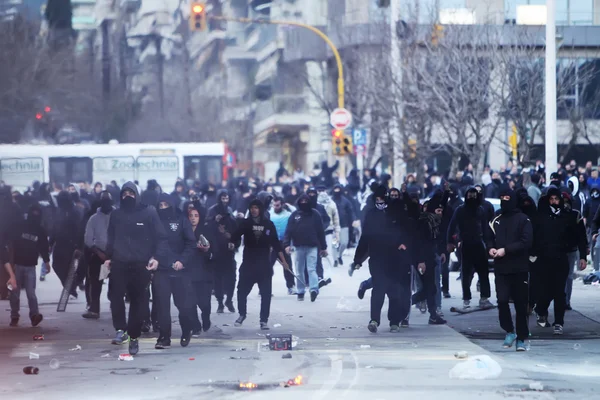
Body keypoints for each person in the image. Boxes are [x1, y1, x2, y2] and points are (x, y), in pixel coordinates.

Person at [105, 182, 168, 355]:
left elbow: (161, 238)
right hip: (119, 263)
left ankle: (133, 336)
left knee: (138, 301)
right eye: (124, 193)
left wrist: (156, 258)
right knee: (115, 297)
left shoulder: (149, 213)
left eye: (131, 193)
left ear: (137, 195)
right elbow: (110, 237)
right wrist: (108, 257)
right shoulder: (116, 214)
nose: (127, 196)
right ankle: (120, 329)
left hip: (141, 265)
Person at [351, 185, 412, 333]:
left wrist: (404, 244)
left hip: (395, 258)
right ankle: (374, 320)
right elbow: (364, 237)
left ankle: (394, 321)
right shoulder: (371, 214)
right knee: (378, 289)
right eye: (377, 200)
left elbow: (406, 231)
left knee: (394, 290)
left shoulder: (396, 212)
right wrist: (358, 259)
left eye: (382, 199)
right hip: (377, 258)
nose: (379, 202)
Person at [533, 188, 586, 335]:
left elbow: (580, 236)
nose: (554, 202)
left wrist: (583, 256)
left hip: (561, 258)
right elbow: (534, 237)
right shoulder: (542, 217)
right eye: (552, 199)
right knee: (544, 291)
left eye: (557, 199)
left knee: (559, 292)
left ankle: (559, 322)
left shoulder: (568, 216)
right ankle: (541, 309)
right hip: (544, 259)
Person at [229, 199, 288, 329]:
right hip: (248, 265)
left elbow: (276, 245)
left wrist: (284, 262)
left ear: (261, 209)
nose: (254, 210)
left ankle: (263, 320)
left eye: (256, 207)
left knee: (266, 294)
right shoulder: (246, 223)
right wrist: (232, 243)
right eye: (252, 207)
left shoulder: (268, 224)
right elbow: (235, 236)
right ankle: (242, 314)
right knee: (241, 292)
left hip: (264, 266)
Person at [485, 189, 533, 352]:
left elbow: (526, 242)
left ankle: (521, 338)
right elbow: (489, 237)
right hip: (501, 268)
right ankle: (509, 331)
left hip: (519, 267)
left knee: (521, 305)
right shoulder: (496, 219)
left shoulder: (523, 219)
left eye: (507, 198)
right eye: (502, 198)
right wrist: (491, 248)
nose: (505, 201)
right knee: (502, 301)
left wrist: (506, 250)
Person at [153, 193, 197, 349]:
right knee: (162, 305)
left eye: (166, 205)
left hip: (180, 269)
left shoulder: (181, 220)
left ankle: (186, 331)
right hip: (161, 269)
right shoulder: (155, 221)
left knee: (183, 305)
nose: (163, 208)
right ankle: (164, 337)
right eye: (161, 206)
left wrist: (182, 261)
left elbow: (191, 244)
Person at [447, 187, 493, 310]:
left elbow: (485, 228)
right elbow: (451, 226)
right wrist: (450, 242)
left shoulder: (481, 210)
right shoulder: (460, 210)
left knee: (483, 272)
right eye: (470, 195)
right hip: (466, 244)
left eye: (474, 195)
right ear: (466, 196)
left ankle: (484, 298)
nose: (472, 198)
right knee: (466, 273)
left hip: (478, 243)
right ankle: (466, 299)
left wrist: (489, 244)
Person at [9, 204, 50, 327]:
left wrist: (47, 262)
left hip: (31, 266)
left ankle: (34, 316)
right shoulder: (20, 226)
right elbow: (12, 243)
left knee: (31, 293)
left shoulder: (40, 230)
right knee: (14, 293)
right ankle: (14, 316)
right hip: (17, 265)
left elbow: (44, 248)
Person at [283, 194, 328, 302]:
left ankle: (314, 290)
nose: (304, 202)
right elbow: (288, 231)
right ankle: (300, 291)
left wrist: (323, 247)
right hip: (298, 247)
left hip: (312, 247)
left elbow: (320, 232)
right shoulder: (294, 215)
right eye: (301, 200)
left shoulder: (315, 214)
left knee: (311, 269)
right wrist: (286, 244)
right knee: (299, 271)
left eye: (305, 200)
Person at [82, 191, 113, 319]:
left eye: (108, 202)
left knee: (117, 284)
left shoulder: (118, 216)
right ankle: (94, 309)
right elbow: (88, 240)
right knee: (96, 283)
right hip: (99, 256)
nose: (106, 204)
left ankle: (115, 306)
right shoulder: (93, 219)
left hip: (115, 255)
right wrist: (99, 253)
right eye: (104, 202)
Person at [207, 189, 238, 313]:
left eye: (227, 198)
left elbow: (235, 230)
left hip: (229, 251)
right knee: (217, 278)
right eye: (223, 198)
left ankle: (229, 299)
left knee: (231, 277)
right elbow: (207, 229)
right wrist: (215, 220)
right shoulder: (212, 211)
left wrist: (234, 244)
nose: (225, 201)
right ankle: (220, 302)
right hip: (216, 251)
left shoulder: (229, 211)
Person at [188, 207, 215, 337]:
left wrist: (206, 251)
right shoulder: (184, 232)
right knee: (190, 302)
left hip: (204, 272)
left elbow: (214, 252)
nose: (193, 218)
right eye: (191, 215)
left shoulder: (206, 232)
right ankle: (195, 326)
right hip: (188, 271)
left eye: (196, 215)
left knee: (204, 302)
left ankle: (206, 319)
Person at [270, 197, 296, 294]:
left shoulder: (288, 215)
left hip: (284, 243)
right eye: (274, 205)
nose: (275, 207)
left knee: (287, 266)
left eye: (278, 205)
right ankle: (264, 288)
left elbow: (296, 213)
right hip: (272, 244)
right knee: (268, 266)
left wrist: (290, 244)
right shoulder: (269, 214)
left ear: (282, 205)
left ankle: (291, 286)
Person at [331, 184, 356, 267]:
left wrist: (353, 220)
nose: (337, 191)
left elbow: (351, 211)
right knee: (334, 243)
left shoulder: (346, 201)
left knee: (344, 242)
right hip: (334, 226)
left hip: (344, 224)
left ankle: (339, 255)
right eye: (335, 189)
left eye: (338, 189)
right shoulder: (331, 201)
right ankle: (335, 260)